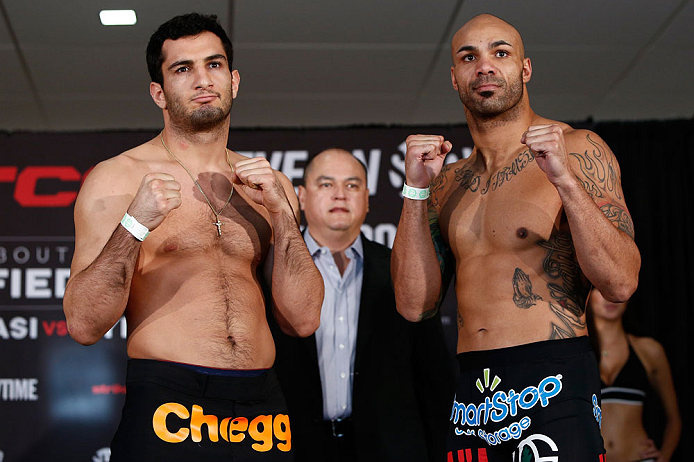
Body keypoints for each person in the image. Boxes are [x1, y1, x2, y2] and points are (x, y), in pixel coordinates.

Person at [62, 13, 324, 461]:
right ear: (159, 93)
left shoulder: (266, 184)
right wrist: (135, 222)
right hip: (171, 403)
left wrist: (282, 215)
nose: (203, 79)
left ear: (234, 80)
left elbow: (302, 319)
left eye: (214, 64)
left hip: (262, 414)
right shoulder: (117, 178)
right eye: (183, 69)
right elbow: (84, 323)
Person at [391, 13, 641, 461]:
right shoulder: (445, 183)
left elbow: (621, 282)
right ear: (454, 77)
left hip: (554, 383)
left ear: (524, 69)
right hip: (473, 394)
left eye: (500, 53)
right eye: (470, 57)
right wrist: (415, 191)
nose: (484, 67)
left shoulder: (579, 148)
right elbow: (414, 305)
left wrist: (564, 180)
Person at [268, 148, 454, 461]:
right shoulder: (271, 271)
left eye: (352, 186)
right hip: (294, 446)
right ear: (300, 196)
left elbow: (433, 378)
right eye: (326, 185)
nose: (340, 195)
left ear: (367, 199)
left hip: (388, 448)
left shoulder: (401, 271)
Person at [588, 288, 681, 462]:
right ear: (587, 296)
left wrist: (664, 456)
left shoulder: (648, 350)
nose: (610, 296)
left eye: (615, 289)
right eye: (601, 290)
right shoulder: (577, 353)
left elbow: (674, 418)